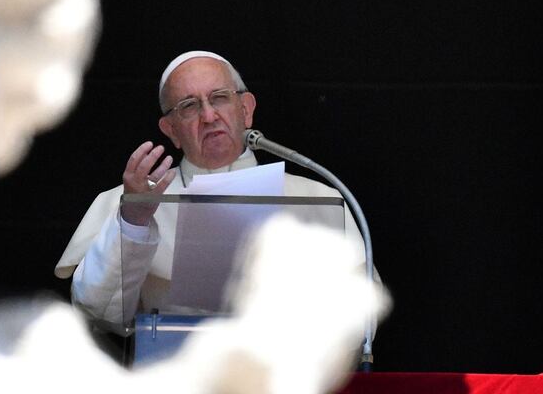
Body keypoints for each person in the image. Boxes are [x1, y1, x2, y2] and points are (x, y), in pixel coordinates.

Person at [55, 50, 371, 331]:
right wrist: (134, 222)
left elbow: (359, 318)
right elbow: (98, 315)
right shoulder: (132, 203)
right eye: (189, 106)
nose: (209, 116)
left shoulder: (316, 198)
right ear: (171, 130)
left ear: (246, 110)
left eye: (219, 97)